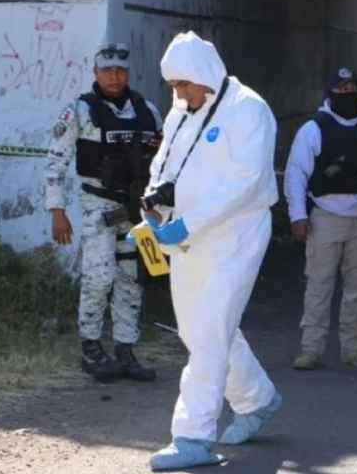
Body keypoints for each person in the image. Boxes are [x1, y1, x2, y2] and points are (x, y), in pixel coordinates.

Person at [137, 32, 282, 471]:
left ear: (207, 76)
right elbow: (162, 165)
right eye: (173, 87)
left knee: (211, 332)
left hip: (236, 235)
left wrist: (189, 221)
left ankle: (192, 436)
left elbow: (246, 184)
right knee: (198, 331)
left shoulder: (248, 110)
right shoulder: (181, 112)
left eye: (184, 84)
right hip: (184, 237)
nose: (178, 94)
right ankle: (258, 399)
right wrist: (154, 206)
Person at [45, 41, 162, 383]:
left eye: (121, 70)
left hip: (136, 208)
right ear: (96, 73)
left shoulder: (147, 110)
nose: (114, 76)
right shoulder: (79, 111)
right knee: (98, 277)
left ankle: (125, 349)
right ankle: (92, 348)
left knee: (132, 278)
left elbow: (162, 161)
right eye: (107, 70)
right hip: (97, 204)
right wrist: (57, 209)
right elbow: (55, 163)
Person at [285, 67, 357, 370]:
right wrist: (297, 215)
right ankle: (311, 349)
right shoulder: (313, 129)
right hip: (325, 216)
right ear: (330, 93)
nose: (347, 94)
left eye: (352, 89)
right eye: (341, 90)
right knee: (319, 285)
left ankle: (353, 349)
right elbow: (296, 173)